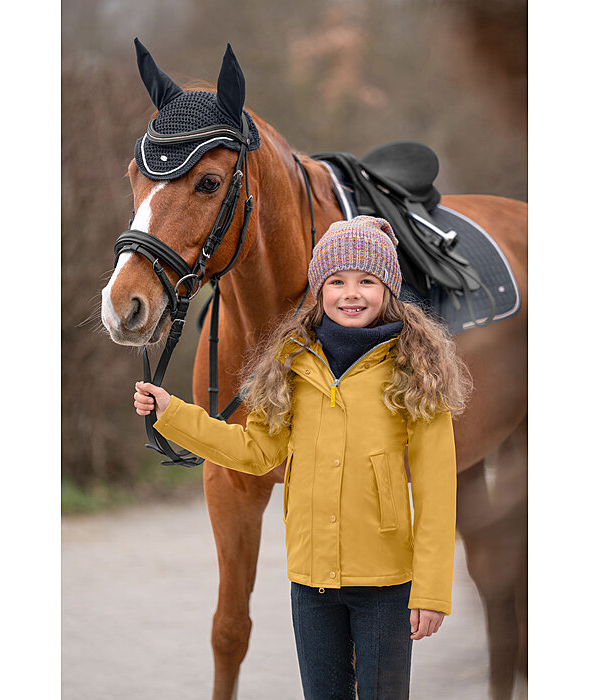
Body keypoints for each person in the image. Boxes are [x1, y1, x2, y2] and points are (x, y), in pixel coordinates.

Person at [134, 215, 472, 699]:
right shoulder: (291, 366)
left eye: (366, 281)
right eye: (336, 281)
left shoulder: (414, 373)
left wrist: (433, 590)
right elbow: (252, 452)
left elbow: (438, 491)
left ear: (388, 290)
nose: (350, 293)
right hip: (311, 586)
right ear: (318, 290)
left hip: (386, 587)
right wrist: (173, 413)